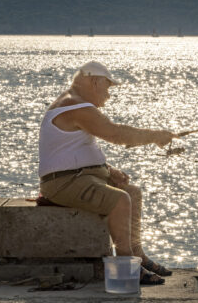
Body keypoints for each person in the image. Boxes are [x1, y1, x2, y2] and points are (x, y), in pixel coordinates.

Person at [38, 61, 177, 285]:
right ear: (94, 81)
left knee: (133, 192)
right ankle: (127, 265)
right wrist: (156, 136)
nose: (109, 95)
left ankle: (138, 255)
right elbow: (115, 134)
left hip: (78, 177)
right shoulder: (76, 107)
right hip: (63, 184)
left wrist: (107, 170)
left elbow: (75, 149)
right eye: (108, 87)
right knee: (120, 200)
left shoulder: (74, 103)